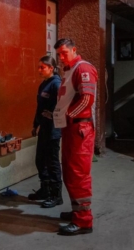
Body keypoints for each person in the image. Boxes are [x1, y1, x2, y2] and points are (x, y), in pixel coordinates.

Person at [52, 38, 97, 236]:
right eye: (59, 54)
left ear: (74, 50)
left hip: (79, 129)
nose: (61, 57)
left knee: (78, 174)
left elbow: (87, 99)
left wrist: (69, 115)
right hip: (71, 129)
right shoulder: (71, 70)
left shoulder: (83, 68)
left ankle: (83, 221)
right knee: (70, 173)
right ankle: (77, 213)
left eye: (64, 53)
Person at [28, 55, 62, 208]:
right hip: (43, 129)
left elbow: (61, 107)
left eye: (42, 67)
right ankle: (45, 190)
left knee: (52, 162)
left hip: (53, 131)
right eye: (38, 67)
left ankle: (56, 195)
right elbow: (39, 107)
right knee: (40, 160)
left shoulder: (56, 84)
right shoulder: (43, 85)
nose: (39, 70)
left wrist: (53, 114)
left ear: (52, 68)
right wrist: (35, 125)